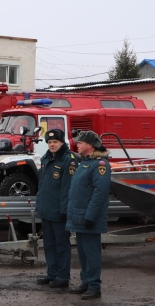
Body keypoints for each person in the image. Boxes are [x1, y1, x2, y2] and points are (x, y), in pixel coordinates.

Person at [66, 130, 111, 300]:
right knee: (83, 253)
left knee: (91, 253)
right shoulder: (84, 163)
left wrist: (90, 216)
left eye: (80, 142)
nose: (77, 144)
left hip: (89, 218)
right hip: (80, 216)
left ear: (89, 145)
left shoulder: (100, 165)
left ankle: (94, 286)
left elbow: (100, 193)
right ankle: (85, 282)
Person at [36, 128, 78, 289]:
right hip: (47, 210)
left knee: (61, 245)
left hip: (59, 212)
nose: (52, 144)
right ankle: (52, 273)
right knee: (49, 245)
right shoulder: (46, 159)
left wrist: (64, 210)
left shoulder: (69, 160)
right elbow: (42, 185)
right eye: (50, 142)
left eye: (55, 142)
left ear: (62, 143)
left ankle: (63, 276)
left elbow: (68, 188)